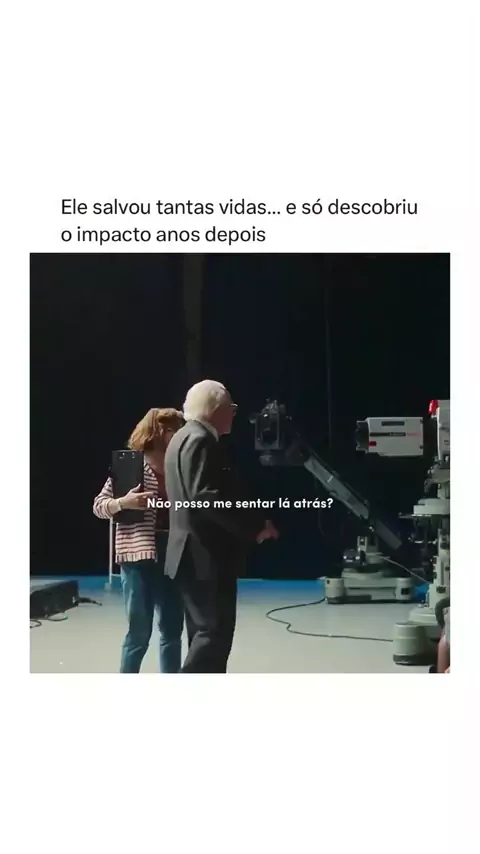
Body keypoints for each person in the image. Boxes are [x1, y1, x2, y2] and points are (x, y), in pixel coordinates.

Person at [164, 379, 278, 673]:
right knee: (212, 636)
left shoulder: (181, 437)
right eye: (232, 408)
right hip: (205, 557)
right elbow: (205, 498)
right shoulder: (201, 440)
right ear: (216, 409)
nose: (234, 414)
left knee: (202, 633)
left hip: (190, 555)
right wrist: (254, 526)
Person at [93, 408, 185, 673]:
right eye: (175, 430)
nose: (181, 435)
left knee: (172, 629)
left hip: (173, 555)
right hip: (137, 558)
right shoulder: (130, 467)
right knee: (139, 632)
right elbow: (99, 506)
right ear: (160, 432)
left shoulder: (179, 467)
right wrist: (124, 502)